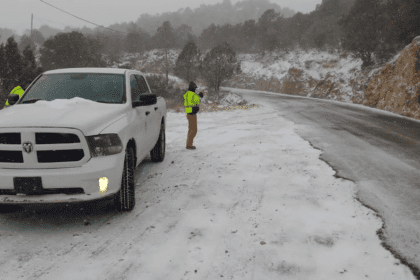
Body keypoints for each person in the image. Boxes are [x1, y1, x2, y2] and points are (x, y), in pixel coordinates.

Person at [183, 81, 204, 150]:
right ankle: (189, 145)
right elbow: (198, 101)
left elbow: (192, 99)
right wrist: (200, 96)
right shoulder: (193, 95)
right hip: (192, 113)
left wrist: (197, 95)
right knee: (194, 130)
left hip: (188, 113)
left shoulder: (187, 94)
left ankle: (188, 144)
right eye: (195, 88)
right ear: (193, 88)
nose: (195, 90)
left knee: (190, 129)